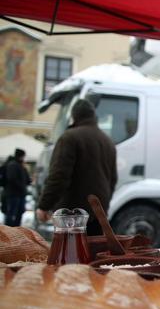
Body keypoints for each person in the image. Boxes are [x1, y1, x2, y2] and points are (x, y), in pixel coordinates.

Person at [36, 99, 118, 235]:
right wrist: (102, 207)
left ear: (74, 116)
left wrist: (45, 206)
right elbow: (112, 180)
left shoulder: (70, 138)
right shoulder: (107, 141)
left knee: (72, 254)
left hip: (73, 213)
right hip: (98, 212)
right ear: (93, 116)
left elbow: (59, 176)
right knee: (93, 253)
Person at [2, 149, 31, 227]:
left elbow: (28, 180)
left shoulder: (20, 165)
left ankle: (16, 229)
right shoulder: (13, 165)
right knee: (11, 213)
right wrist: (21, 187)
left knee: (19, 212)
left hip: (20, 194)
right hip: (13, 194)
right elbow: (12, 179)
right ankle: (9, 230)